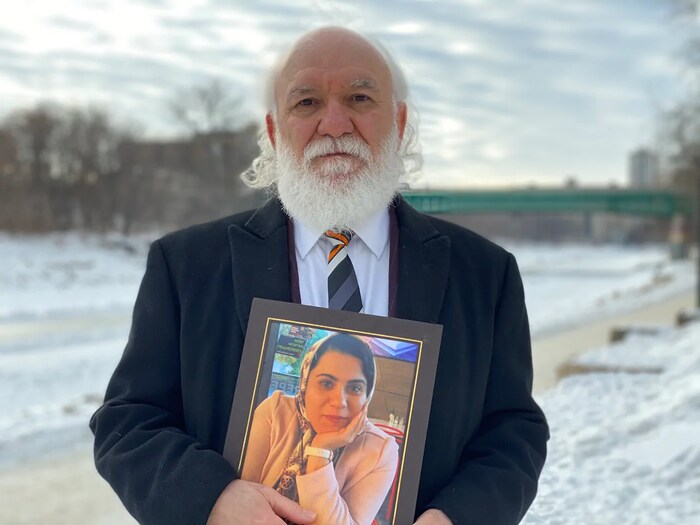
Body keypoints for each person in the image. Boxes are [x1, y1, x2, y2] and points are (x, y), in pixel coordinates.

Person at [90, 26, 549, 525]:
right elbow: (128, 422)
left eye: (359, 96)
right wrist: (211, 500)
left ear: (398, 120)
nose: (334, 124)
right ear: (273, 131)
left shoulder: (484, 273)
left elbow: (512, 431)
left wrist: (459, 517)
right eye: (306, 102)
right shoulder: (186, 266)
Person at [241, 333, 398, 525]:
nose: (339, 402)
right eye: (326, 383)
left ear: (367, 395)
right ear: (306, 383)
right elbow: (242, 500)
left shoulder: (381, 451)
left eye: (355, 388)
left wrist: (319, 451)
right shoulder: (275, 412)